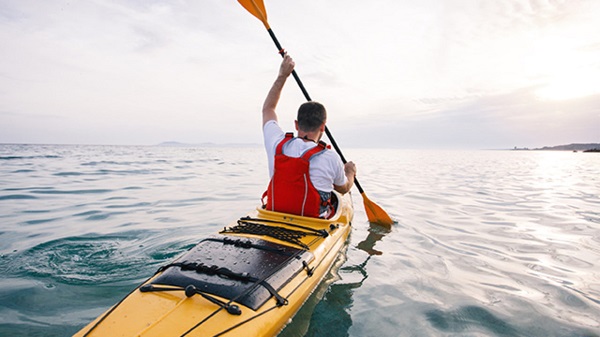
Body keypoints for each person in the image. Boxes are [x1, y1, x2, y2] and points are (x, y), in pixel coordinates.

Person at [262, 53, 356, 218]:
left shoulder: (276, 143)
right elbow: (343, 188)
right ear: (323, 127)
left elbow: (268, 109)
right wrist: (350, 172)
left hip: (275, 217)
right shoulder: (331, 157)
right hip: (313, 223)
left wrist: (282, 76)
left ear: (296, 124)